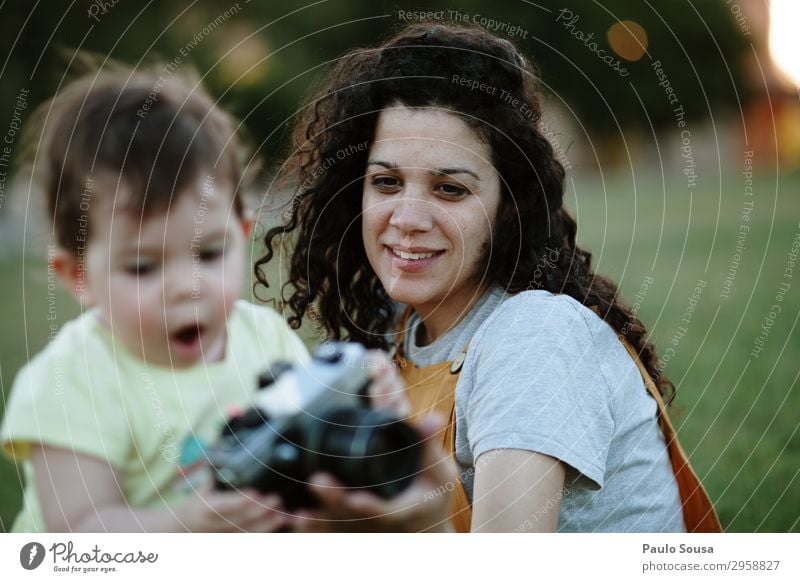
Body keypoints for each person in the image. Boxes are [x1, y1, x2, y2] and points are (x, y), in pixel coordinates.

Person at [257, 22, 722, 533]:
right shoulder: (393, 331)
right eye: (386, 182)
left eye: (449, 189)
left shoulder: (536, 335)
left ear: (508, 205)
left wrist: (417, 522)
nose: (407, 218)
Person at [0, 65, 414, 532]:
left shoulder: (264, 338)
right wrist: (186, 526)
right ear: (79, 275)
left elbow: (305, 448)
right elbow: (78, 533)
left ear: (241, 235)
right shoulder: (71, 380)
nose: (187, 286)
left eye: (210, 252)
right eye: (142, 266)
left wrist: (360, 407)